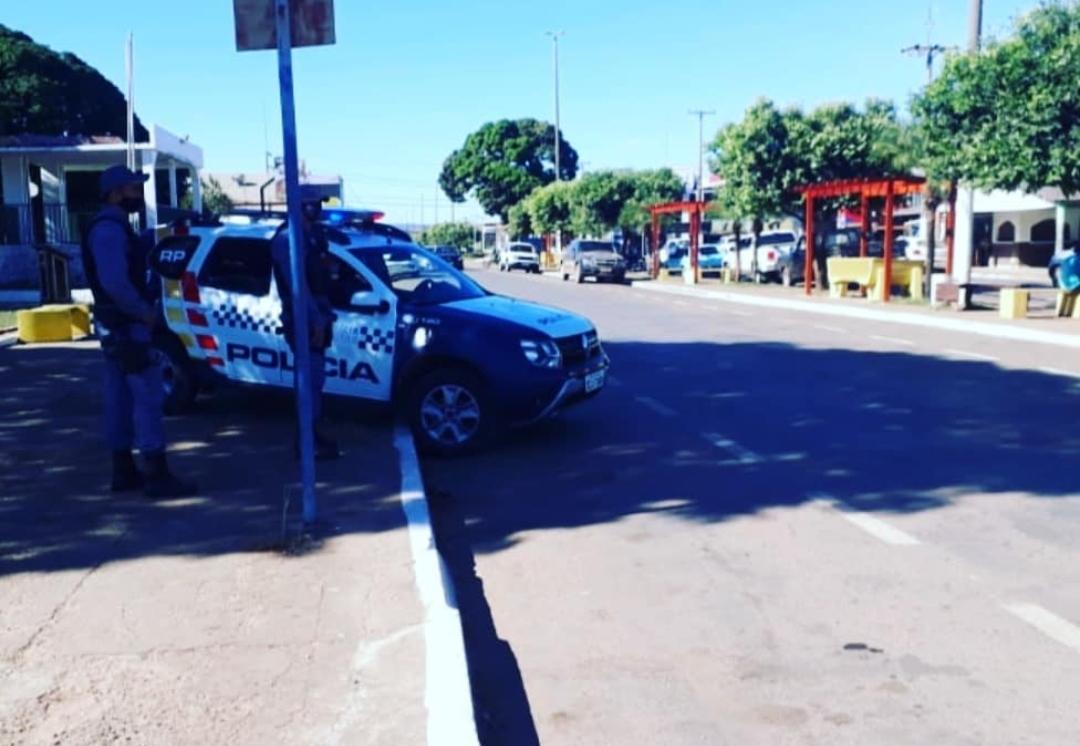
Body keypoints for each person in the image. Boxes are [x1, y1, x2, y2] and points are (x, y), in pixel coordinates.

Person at [81, 165, 197, 498]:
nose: (138, 194)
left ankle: (124, 471)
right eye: (133, 189)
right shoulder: (109, 230)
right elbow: (115, 282)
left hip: (116, 327)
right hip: (127, 326)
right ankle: (156, 473)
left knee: (119, 398)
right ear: (115, 193)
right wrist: (144, 312)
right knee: (148, 397)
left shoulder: (115, 228)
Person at [271, 187, 341, 461]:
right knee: (308, 381)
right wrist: (316, 321)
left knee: (315, 380)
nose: (316, 209)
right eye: (310, 205)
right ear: (297, 207)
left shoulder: (312, 236)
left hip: (318, 315)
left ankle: (312, 433)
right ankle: (305, 441)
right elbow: (298, 287)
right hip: (304, 319)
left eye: (318, 204)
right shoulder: (288, 240)